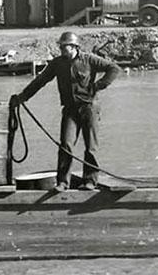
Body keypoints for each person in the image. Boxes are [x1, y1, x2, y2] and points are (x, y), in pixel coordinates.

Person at [10, 31, 120, 191]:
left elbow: (113, 68)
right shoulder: (57, 64)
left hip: (89, 108)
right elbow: (40, 81)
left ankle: (90, 181)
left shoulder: (89, 60)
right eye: (60, 46)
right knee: (65, 145)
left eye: (64, 46)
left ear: (74, 47)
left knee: (91, 147)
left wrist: (98, 86)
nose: (61, 49)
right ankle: (63, 182)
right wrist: (22, 97)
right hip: (70, 110)